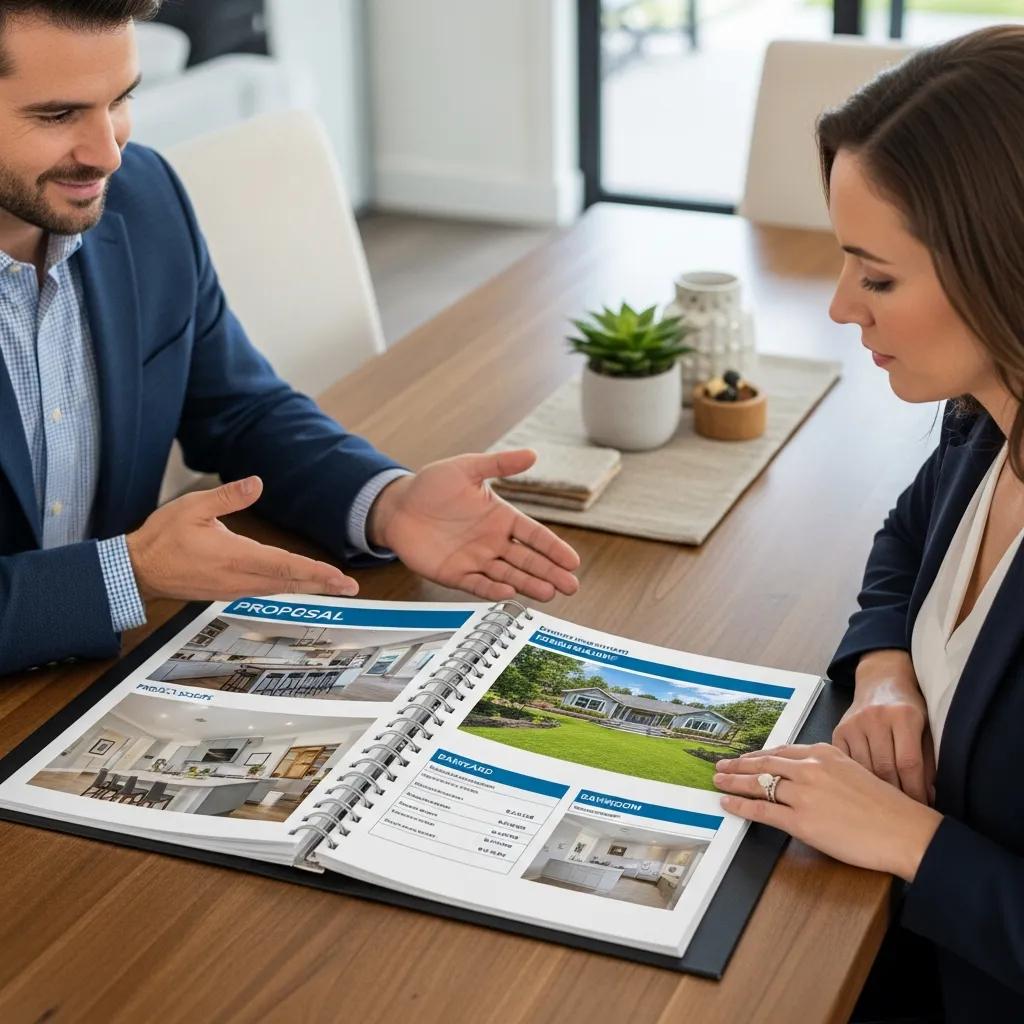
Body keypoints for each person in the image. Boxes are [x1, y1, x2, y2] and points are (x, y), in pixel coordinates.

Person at [0, 0, 581, 677]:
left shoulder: (146, 197)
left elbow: (240, 409)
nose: (108, 152)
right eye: (58, 115)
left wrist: (386, 502)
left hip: (105, 671)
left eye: (121, 100)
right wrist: (126, 574)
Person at [712, 25, 1024, 1024]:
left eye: (877, 276)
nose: (842, 308)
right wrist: (887, 669)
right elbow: (904, 538)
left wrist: (910, 840)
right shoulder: (986, 416)